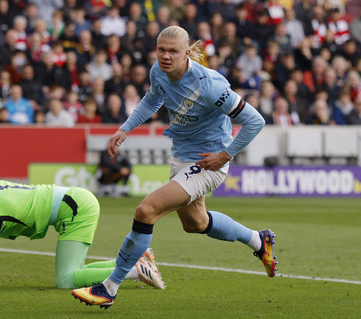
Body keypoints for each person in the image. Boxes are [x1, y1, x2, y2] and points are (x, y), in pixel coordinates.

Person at [71, 26, 277, 309]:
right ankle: (258, 240)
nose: (166, 57)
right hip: (182, 157)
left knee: (146, 211)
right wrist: (125, 129)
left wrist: (225, 155)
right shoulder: (159, 70)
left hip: (208, 162)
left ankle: (108, 288)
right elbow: (153, 98)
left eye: (173, 51)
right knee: (196, 224)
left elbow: (255, 121)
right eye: (161, 50)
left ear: (188, 53)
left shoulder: (210, 86)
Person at [0, 161, 163, 290]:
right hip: (77, 201)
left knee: (66, 280)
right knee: (76, 270)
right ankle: (138, 258)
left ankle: (134, 270)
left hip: (76, 209)